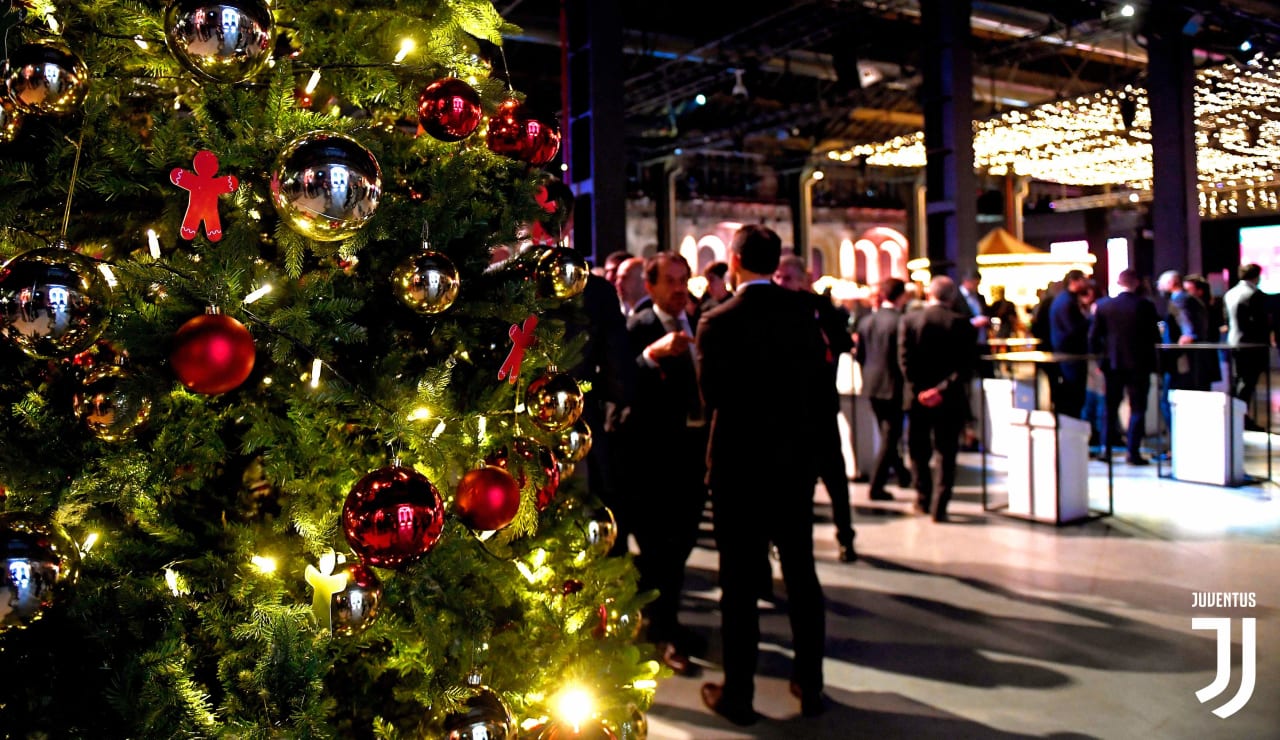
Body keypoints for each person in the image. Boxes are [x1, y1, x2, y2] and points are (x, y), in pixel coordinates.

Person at [696, 224, 830, 724]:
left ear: (734, 260)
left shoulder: (718, 320)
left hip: (739, 467)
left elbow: (712, 399)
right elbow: (818, 390)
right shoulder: (802, 313)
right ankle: (811, 684)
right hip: (793, 464)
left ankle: (740, 695)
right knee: (801, 576)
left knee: (739, 585)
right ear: (776, 263)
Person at [619, 252, 706, 675]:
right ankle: (662, 631)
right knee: (659, 552)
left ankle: (665, 622)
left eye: (683, 280)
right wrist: (651, 356)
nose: (678, 288)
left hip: (692, 457)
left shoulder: (698, 323)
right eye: (670, 281)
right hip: (653, 463)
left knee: (683, 545)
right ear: (650, 287)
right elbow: (621, 388)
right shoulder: (639, 328)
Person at [774, 254, 857, 562]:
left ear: (803, 279)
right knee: (793, 486)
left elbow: (842, 343)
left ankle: (846, 536)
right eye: (778, 277)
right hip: (788, 412)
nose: (782, 283)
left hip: (820, 409)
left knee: (835, 479)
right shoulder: (774, 309)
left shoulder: (821, 310)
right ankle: (788, 541)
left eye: (788, 278)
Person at [898, 275, 976, 522]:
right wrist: (940, 390)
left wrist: (920, 390)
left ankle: (922, 498)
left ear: (928, 294)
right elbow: (965, 367)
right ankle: (939, 506)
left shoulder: (909, 320)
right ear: (952, 297)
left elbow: (904, 360)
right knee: (946, 451)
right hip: (949, 398)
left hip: (917, 397)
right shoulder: (962, 323)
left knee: (918, 450)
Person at [1090, 269, 1160, 465]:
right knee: (1138, 408)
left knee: (1110, 407)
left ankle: (1106, 450)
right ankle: (1133, 451)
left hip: (1112, 364)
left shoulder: (1104, 306)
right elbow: (1154, 337)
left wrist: (1100, 363)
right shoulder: (1145, 305)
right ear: (1136, 283)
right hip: (1139, 364)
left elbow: (1093, 337)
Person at [855, 277, 910, 502]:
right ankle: (876, 485)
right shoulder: (901, 321)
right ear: (901, 296)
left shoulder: (867, 321)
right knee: (891, 435)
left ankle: (903, 474)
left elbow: (860, 355)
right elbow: (903, 358)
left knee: (887, 432)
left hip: (872, 383)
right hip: (893, 385)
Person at [1224, 263, 1271, 430]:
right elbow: (1260, 323)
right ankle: (1241, 418)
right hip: (1251, 345)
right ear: (1256, 276)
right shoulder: (1254, 294)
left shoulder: (1231, 293)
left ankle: (1239, 416)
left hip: (1234, 342)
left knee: (1240, 381)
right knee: (1247, 383)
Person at [1049, 269, 1090, 418]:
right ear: (1074, 281)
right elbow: (1073, 329)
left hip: (1067, 353)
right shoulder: (1067, 302)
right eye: (1083, 280)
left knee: (1073, 395)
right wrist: (1090, 319)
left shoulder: (1064, 300)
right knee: (1074, 394)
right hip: (1070, 355)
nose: (1086, 283)